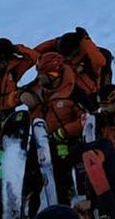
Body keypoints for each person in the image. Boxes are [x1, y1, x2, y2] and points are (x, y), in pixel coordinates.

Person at [19, 52, 84, 204]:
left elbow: (87, 120)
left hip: (64, 144)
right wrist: (22, 95)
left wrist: (65, 131)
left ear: (54, 74)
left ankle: (66, 211)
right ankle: (28, 213)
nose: (39, 78)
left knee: (62, 181)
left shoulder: (74, 93)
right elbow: (16, 94)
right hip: (40, 141)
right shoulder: (41, 87)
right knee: (30, 180)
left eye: (43, 74)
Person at [32, 28, 113, 111]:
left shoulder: (89, 59)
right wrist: (55, 42)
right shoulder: (62, 59)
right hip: (68, 100)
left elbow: (100, 61)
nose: (65, 58)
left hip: (89, 100)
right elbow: (35, 54)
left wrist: (85, 40)